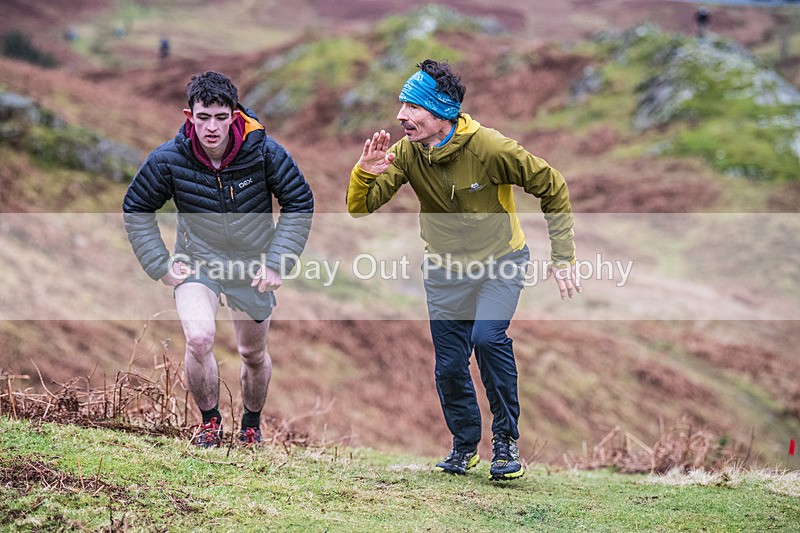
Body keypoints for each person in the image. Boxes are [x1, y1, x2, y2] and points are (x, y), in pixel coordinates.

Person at [347, 59, 579, 480]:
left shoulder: (490, 148)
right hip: (444, 270)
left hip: (501, 262)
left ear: (442, 113)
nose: (401, 115)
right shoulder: (406, 152)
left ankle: (506, 444)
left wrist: (563, 258)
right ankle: (464, 444)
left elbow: (553, 185)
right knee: (450, 365)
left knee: (488, 339)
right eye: (401, 104)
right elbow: (360, 208)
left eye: (412, 107)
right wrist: (364, 174)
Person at [123, 71, 313, 448]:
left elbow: (299, 202)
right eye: (203, 117)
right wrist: (159, 263)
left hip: (252, 267)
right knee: (198, 338)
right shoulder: (168, 159)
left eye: (221, 118)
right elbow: (136, 207)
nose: (212, 127)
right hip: (197, 263)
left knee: (252, 353)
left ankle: (251, 426)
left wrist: (277, 261)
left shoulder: (264, 152)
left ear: (235, 115)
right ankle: (210, 424)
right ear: (188, 115)